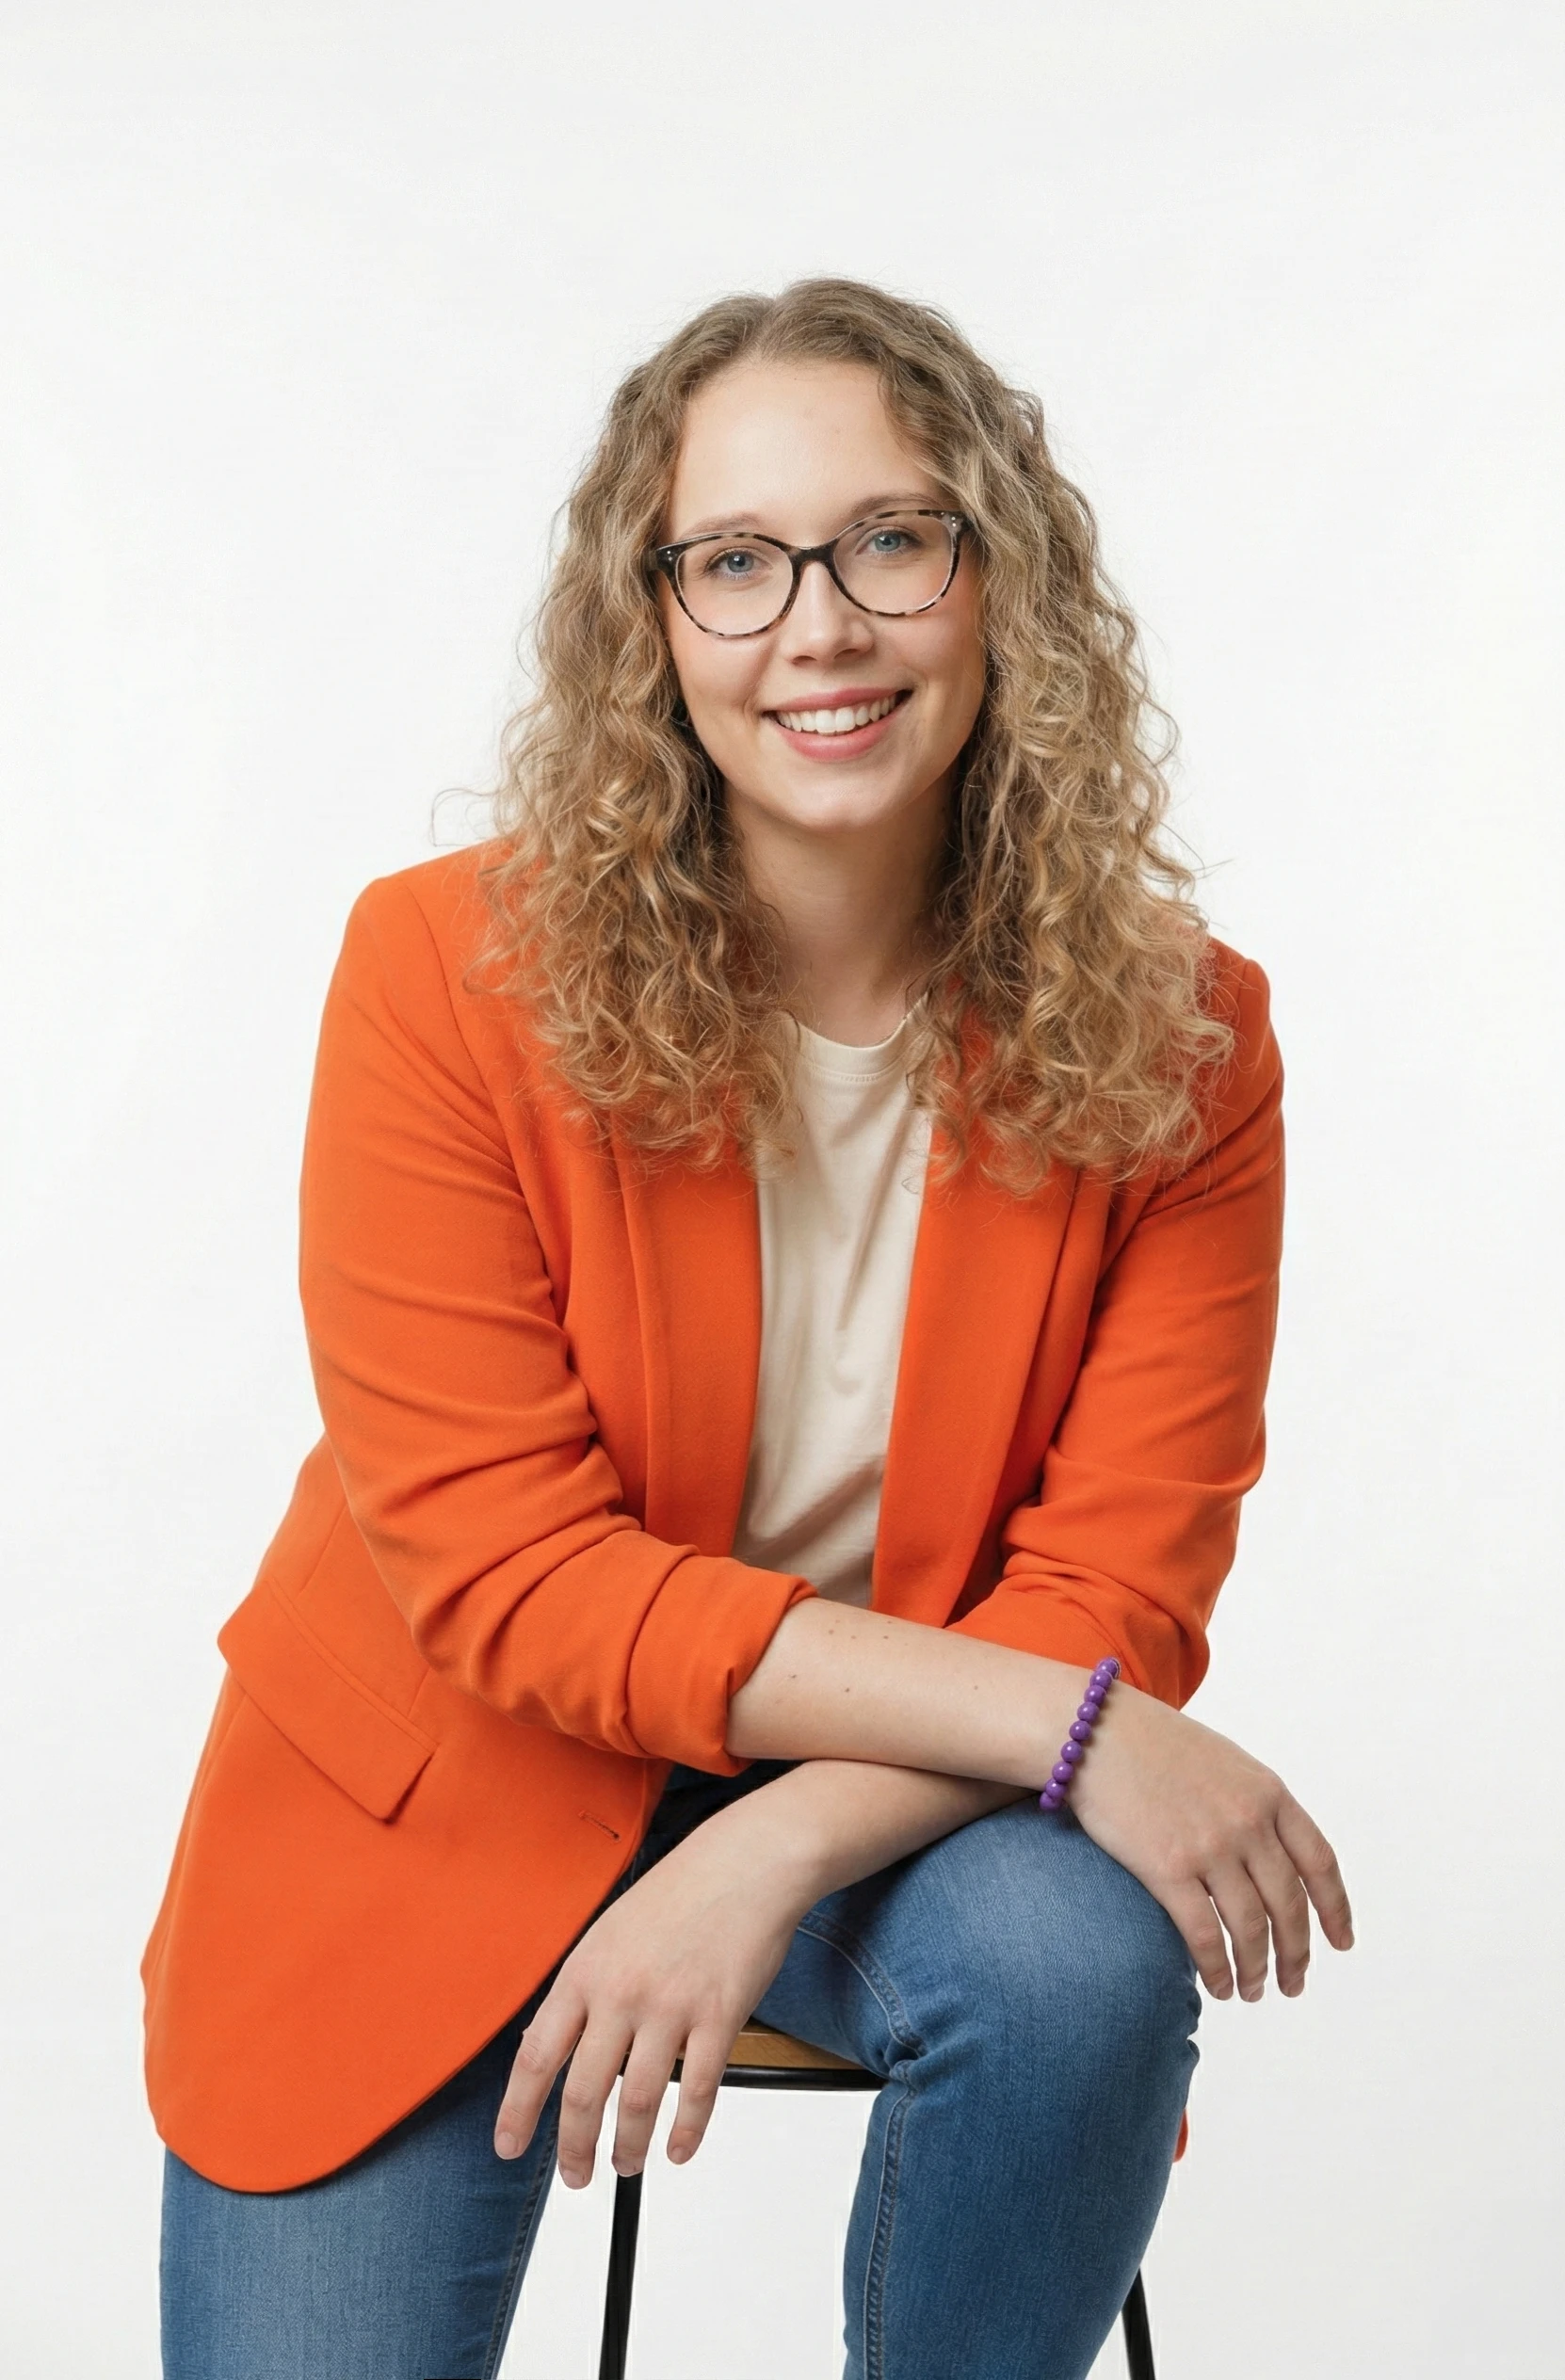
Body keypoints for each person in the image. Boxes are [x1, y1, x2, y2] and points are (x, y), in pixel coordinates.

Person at [146, 277, 1353, 2380]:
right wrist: (1076, 1729)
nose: (821, 624)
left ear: (1001, 585)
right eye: (737, 561)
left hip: (892, 1802)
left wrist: (773, 1839)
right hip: (442, 1797)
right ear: (654, 625)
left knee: (1075, 1970)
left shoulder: (1187, 1039)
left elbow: (1112, 1578)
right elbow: (511, 1573)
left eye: (893, 537)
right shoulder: (436, 976)